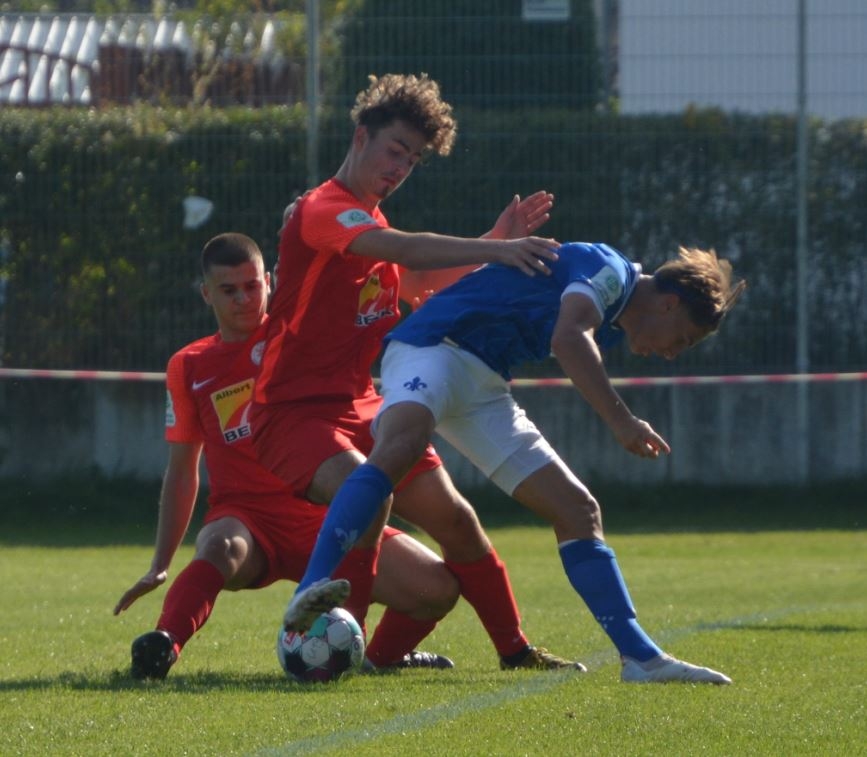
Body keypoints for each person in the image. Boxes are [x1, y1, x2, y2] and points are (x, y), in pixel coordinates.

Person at [288, 242, 746, 684]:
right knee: (400, 447)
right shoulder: (611, 270)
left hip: (484, 383)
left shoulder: (613, 317)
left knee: (577, 510)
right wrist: (622, 421)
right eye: (681, 339)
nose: (671, 352)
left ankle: (640, 658)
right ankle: (312, 585)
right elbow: (569, 338)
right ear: (668, 303)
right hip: (432, 346)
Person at [250, 72, 583, 671]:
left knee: (454, 529)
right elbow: (405, 249)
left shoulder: (371, 228)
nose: (401, 167)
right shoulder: (324, 210)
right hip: (290, 414)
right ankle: (336, 635)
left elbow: (421, 279)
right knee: (368, 487)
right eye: (395, 150)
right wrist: (498, 251)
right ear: (361, 136)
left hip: (360, 406)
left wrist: (496, 238)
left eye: (413, 159)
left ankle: (509, 652)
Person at [114, 232, 461, 679]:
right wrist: (160, 565)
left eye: (251, 285)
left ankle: (375, 658)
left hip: (325, 520)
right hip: (247, 520)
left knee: (438, 588)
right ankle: (164, 644)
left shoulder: (302, 342)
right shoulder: (189, 365)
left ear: (270, 282)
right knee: (219, 546)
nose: (243, 299)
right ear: (206, 294)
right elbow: (183, 471)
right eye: (228, 290)